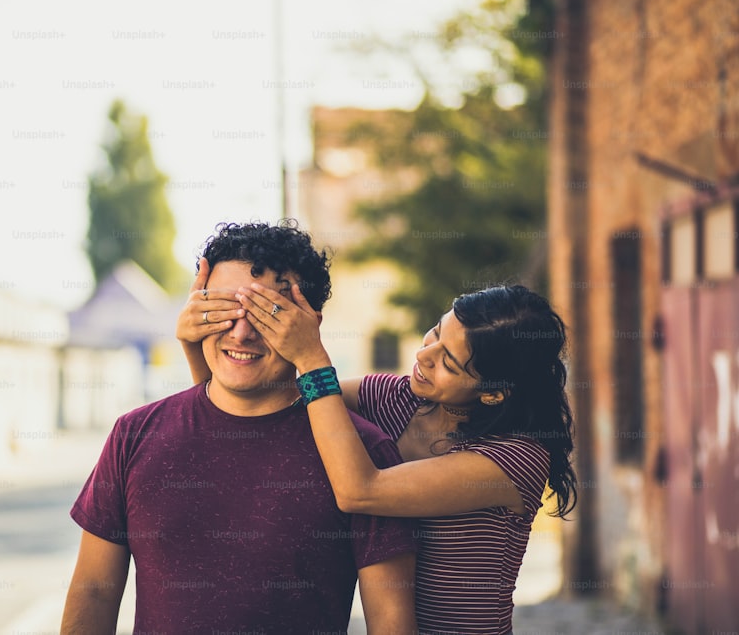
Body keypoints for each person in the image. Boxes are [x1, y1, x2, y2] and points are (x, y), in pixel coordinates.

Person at [61, 221, 420, 635]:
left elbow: (392, 625)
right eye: (225, 309)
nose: (242, 331)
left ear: (309, 325)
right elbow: (94, 593)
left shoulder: (364, 455)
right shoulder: (134, 435)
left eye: (268, 314)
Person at [179, 263, 577, 635]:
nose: (423, 357)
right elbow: (259, 416)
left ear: (492, 395)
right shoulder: (391, 398)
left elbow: (361, 491)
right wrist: (194, 343)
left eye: (449, 364)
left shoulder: (515, 458)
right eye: (436, 333)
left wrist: (311, 356)